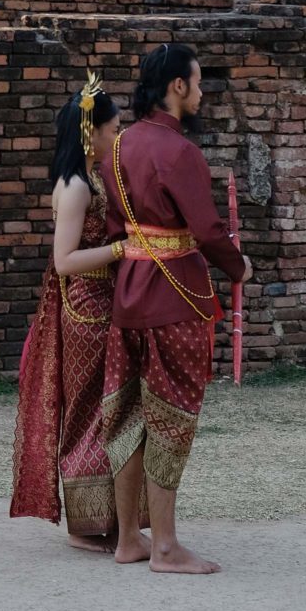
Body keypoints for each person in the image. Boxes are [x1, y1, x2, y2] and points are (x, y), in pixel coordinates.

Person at [100, 42, 249, 575]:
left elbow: (116, 225)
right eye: (199, 82)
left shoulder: (116, 147)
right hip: (175, 297)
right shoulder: (179, 151)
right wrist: (238, 267)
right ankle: (164, 546)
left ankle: (128, 541)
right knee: (170, 420)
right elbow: (207, 230)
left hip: (128, 294)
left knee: (127, 420)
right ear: (177, 86)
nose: (203, 92)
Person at [10, 74, 131, 552]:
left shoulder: (93, 178)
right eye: (113, 129)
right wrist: (123, 249)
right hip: (86, 306)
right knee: (88, 413)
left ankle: (108, 518)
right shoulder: (77, 186)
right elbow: (64, 261)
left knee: (107, 410)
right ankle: (85, 526)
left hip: (102, 303)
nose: (117, 137)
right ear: (91, 131)